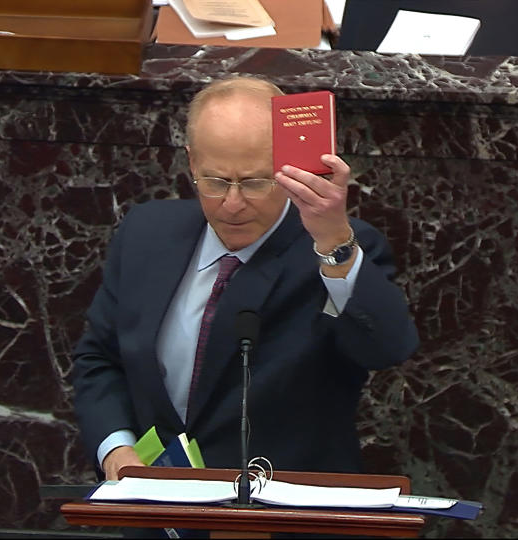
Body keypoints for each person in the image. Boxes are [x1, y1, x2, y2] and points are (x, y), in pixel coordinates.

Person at [71, 76, 418, 482]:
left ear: (290, 170)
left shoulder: (334, 248)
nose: (233, 204)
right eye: (216, 182)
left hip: (282, 512)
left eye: (255, 182)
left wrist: (334, 242)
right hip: (158, 508)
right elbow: (100, 358)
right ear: (191, 162)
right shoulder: (146, 233)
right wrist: (116, 448)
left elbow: (388, 349)